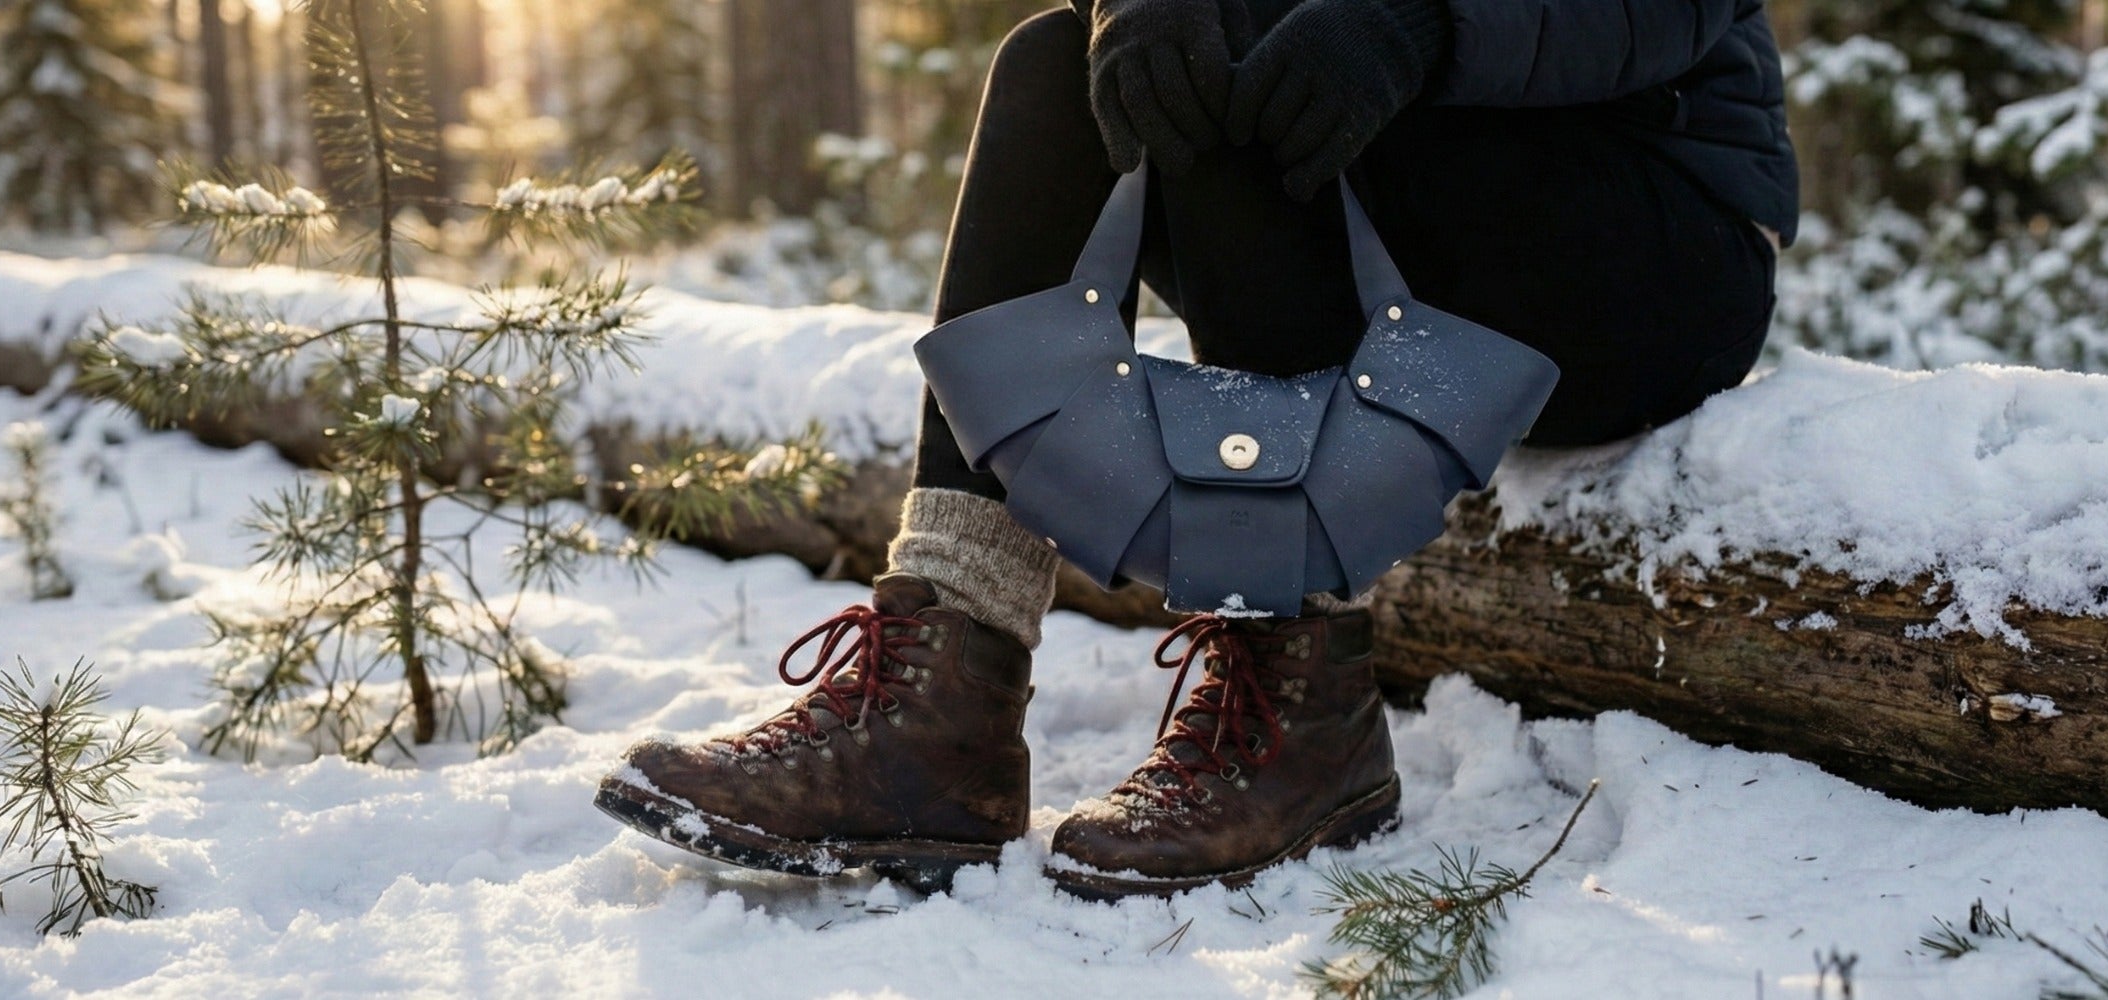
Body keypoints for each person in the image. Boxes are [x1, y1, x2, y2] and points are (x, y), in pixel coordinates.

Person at [596, 0, 1795, 898]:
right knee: (1065, 63)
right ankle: (939, 700)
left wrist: (1417, 17)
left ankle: (1295, 681)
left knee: (1252, 65)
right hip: (1363, 162)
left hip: (1638, 226)